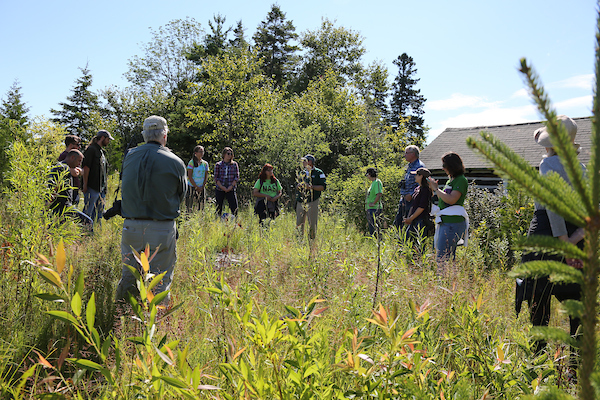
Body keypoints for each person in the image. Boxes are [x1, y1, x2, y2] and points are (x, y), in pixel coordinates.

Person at [516, 115, 584, 356]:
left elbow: (553, 205)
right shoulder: (582, 168)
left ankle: (538, 361)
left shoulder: (548, 164)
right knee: (577, 305)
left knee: (538, 300)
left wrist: (563, 241)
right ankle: (575, 365)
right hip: (576, 237)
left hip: (548, 234)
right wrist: (575, 239)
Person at [115, 116, 186, 302]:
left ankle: (122, 317)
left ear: (144, 135)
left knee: (129, 275)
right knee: (159, 279)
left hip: (130, 226)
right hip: (161, 227)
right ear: (165, 135)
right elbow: (181, 195)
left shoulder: (129, 156)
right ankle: (156, 320)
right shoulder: (176, 162)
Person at [427, 152, 469, 276]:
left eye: (444, 165)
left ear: (452, 165)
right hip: (446, 222)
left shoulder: (461, 180)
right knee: (448, 256)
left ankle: (443, 284)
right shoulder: (452, 180)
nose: (442, 168)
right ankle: (450, 282)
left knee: (442, 256)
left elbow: (451, 199)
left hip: (453, 224)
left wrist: (436, 189)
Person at [47, 149, 93, 228]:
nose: (79, 164)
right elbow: (54, 187)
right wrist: (47, 204)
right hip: (63, 208)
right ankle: (88, 240)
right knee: (88, 222)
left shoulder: (59, 166)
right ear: (72, 157)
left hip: (58, 207)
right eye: (79, 161)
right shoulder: (63, 168)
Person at [82, 130, 113, 226]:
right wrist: (85, 185)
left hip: (101, 188)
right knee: (88, 211)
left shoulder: (101, 152)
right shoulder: (91, 150)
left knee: (99, 213)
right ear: (102, 138)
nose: (108, 142)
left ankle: (95, 232)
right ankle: (84, 231)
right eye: (108, 139)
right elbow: (86, 168)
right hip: (92, 186)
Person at [296, 154, 326, 241]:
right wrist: (299, 186)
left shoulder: (319, 172)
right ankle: (299, 242)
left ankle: (312, 242)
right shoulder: (302, 172)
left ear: (310, 162)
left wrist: (311, 187)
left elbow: (323, 187)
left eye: (304, 161)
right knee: (299, 223)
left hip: (313, 201)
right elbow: (296, 186)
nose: (303, 163)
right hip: (301, 201)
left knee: (312, 223)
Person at [394, 145, 425, 228]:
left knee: (410, 225)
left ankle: (408, 240)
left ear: (413, 154)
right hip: (404, 199)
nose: (405, 155)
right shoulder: (409, 166)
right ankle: (397, 240)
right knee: (398, 222)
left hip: (412, 201)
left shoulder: (419, 166)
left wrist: (411, 194)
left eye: (407, 153)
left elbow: (421, 184)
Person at [403, 167, 432, 239]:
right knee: (407, 241)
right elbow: (413, 204)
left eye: (416, 175)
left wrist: (411, 218)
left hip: (421, 220)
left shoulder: (426, 190)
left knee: (419, 244)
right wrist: (409, 218)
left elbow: (421, 207)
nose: (415, 176)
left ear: (421, 176)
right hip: (414, 220)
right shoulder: (417, 189)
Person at [214, 147, 239, 217]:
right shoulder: (218, 165)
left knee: (234, 207)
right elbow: (216, 178)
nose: (229, 155)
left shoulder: (234, 164)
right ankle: (217, 222)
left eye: (231, 154)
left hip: (231, 189)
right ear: (224, 154)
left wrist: (230, 187)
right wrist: (222, 187)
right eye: (228, 153)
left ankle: (235, 222)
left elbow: (236, 177)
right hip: (220, 189)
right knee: (218, 207)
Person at [58, 135, 82, 204]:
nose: (79, 147)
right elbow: (74, 172)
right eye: (77, 145)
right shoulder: (65, 156)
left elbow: (81, 171)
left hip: (74, 189)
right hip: (67, 191)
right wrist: (77, 170)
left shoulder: (74, 156)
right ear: (71, 145)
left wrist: (77, 170)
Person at [186, 145, 209, 212]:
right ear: (196, 153)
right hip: (192, 186)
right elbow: (189, 176)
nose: (202, 153)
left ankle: (200, 217)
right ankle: (188, 217)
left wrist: (202, 186)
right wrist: (196, 187)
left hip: (201, 186)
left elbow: (206, 176)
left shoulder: (205, 163)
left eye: (202, 152)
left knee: (201, 205)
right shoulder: (191, 162)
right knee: (189, 204)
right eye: (200, 152)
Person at [365, 167, 383, 236]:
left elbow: (379, 194)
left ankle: (377, 240)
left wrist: (373, 203)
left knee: (375, 226)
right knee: (371, 226)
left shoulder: (377, 182)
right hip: (370, 209)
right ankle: (373, 241)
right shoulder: (373, 183)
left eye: (367, 175)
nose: (367, 177)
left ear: (369, 174)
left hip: (375, 208)